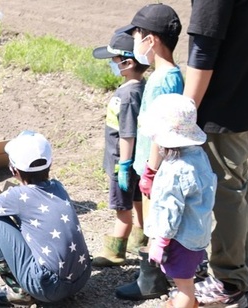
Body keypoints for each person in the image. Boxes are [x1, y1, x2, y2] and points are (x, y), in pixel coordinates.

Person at [177, 1, 248, 306]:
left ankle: (229, 281)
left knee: (225, 191)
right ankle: (238, 268)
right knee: (238, 186)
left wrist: (184, 116)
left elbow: (203, 51)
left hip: (220, 111)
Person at [0, 131, 91, 306]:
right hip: (82, 277)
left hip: (47, 288)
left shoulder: (16, 195)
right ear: (50, 163)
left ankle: (19, 291)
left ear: (13, 170)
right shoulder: (58, 187)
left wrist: (0, 243)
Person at [113, 3, 185, 301]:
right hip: (153, 164)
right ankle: (159, 274)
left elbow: (161, 130)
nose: (135, 42)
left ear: (151, 39)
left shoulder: (162, 80)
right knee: (159, 221)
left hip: (155, 166)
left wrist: (150, 171)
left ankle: (151, 281)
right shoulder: (168, 75)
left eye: (137, 35)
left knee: (158, 222)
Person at [140, 94, 216, 308]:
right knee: (187, 282)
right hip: (197, 235)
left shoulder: (174, 170)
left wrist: (160, 241)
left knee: (184, 288)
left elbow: (169, 211)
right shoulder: (199, 156)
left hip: (178, 239)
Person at [90, 31, 149, 267]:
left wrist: (123, 165)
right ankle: (140, 237)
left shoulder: (127, 95)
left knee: (121, 207)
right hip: (137, 161)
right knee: (137, 199)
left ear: (128, 62)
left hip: (121, 162)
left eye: (114, 61)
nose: (112, 65)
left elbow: (127, 133)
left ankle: (115, 250)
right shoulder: (140, 87)